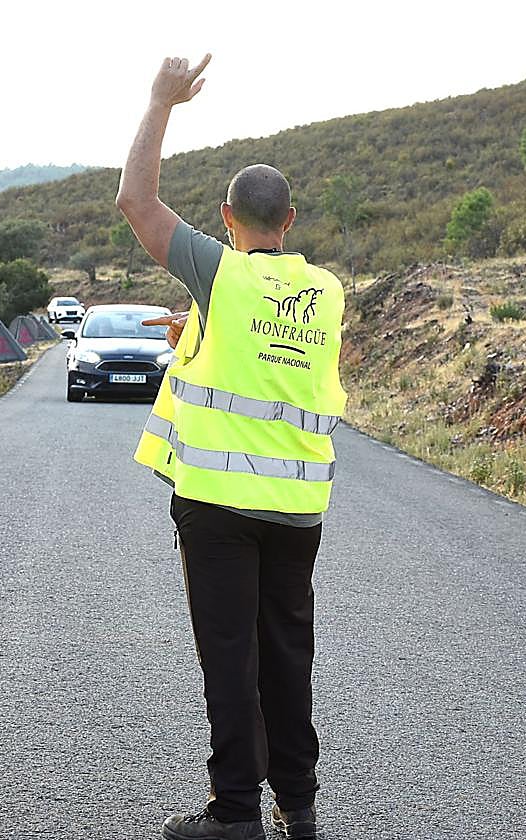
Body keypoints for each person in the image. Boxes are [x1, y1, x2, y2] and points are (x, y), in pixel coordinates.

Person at [116, 55, 347, 840]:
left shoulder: (219, 273)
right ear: (292, 221)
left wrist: (159, 101)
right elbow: (278, 362)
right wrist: (200, 333)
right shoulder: (326, 291)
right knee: (288, 657)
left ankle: (236, 814)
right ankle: (301, 808)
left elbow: (135, 201)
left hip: (217, 504)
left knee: (229, 659)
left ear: (226, 216)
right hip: (298, 507)